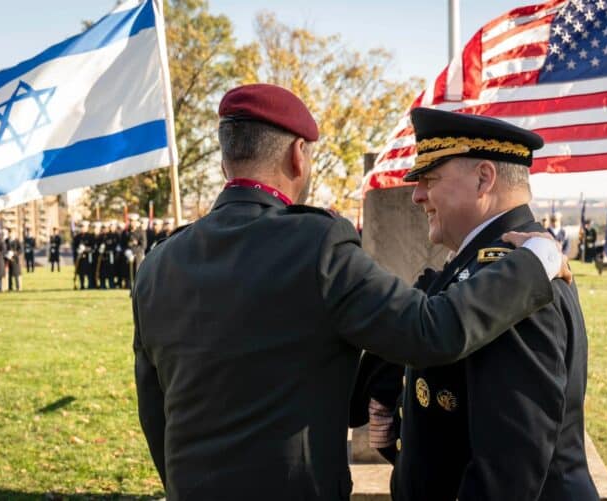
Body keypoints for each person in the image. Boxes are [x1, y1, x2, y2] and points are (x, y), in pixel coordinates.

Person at [133, 83, 568, 501]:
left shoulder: (158, 263)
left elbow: (155, 412)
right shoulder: (315, 245)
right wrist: (538, 262)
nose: (418, 196)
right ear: (297, 156)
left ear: (225, 162)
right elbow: (429, 330)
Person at [351, 108, 596, 501]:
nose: (416, 195)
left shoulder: (512, 276)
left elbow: (509, 468)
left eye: (429, 179)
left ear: (484, 179)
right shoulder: (491, 265)